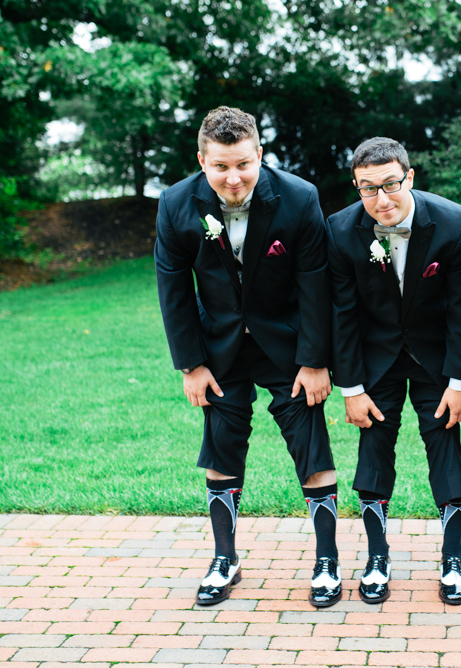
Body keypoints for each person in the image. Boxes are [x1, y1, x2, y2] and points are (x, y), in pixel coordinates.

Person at [155, 106, 342, 608]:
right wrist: (190, 365)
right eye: (220, 167)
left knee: (310, 443)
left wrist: (315, 360)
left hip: (288, 345)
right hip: (219, 350)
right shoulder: (175, 204)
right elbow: (172, 290)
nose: (233, 177)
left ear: (260, 154)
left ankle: (327, 561)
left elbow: (315, 283)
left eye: (243, 164)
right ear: (202, 160)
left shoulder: (299, 198)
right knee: (221, 448)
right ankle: (225, 559)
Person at [326, 137, 461, 605]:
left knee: (445, 447)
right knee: (373, 449)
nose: (382, 199)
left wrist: (459, 383)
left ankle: (453, 559)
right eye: (368, 189)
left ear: (410, 177)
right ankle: (376, 556)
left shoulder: (452, 223)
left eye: (391, 184)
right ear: (356, 187)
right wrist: (350, 387)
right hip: (375, 360)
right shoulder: (340, 230)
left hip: (436, 357)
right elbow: (342, 314)